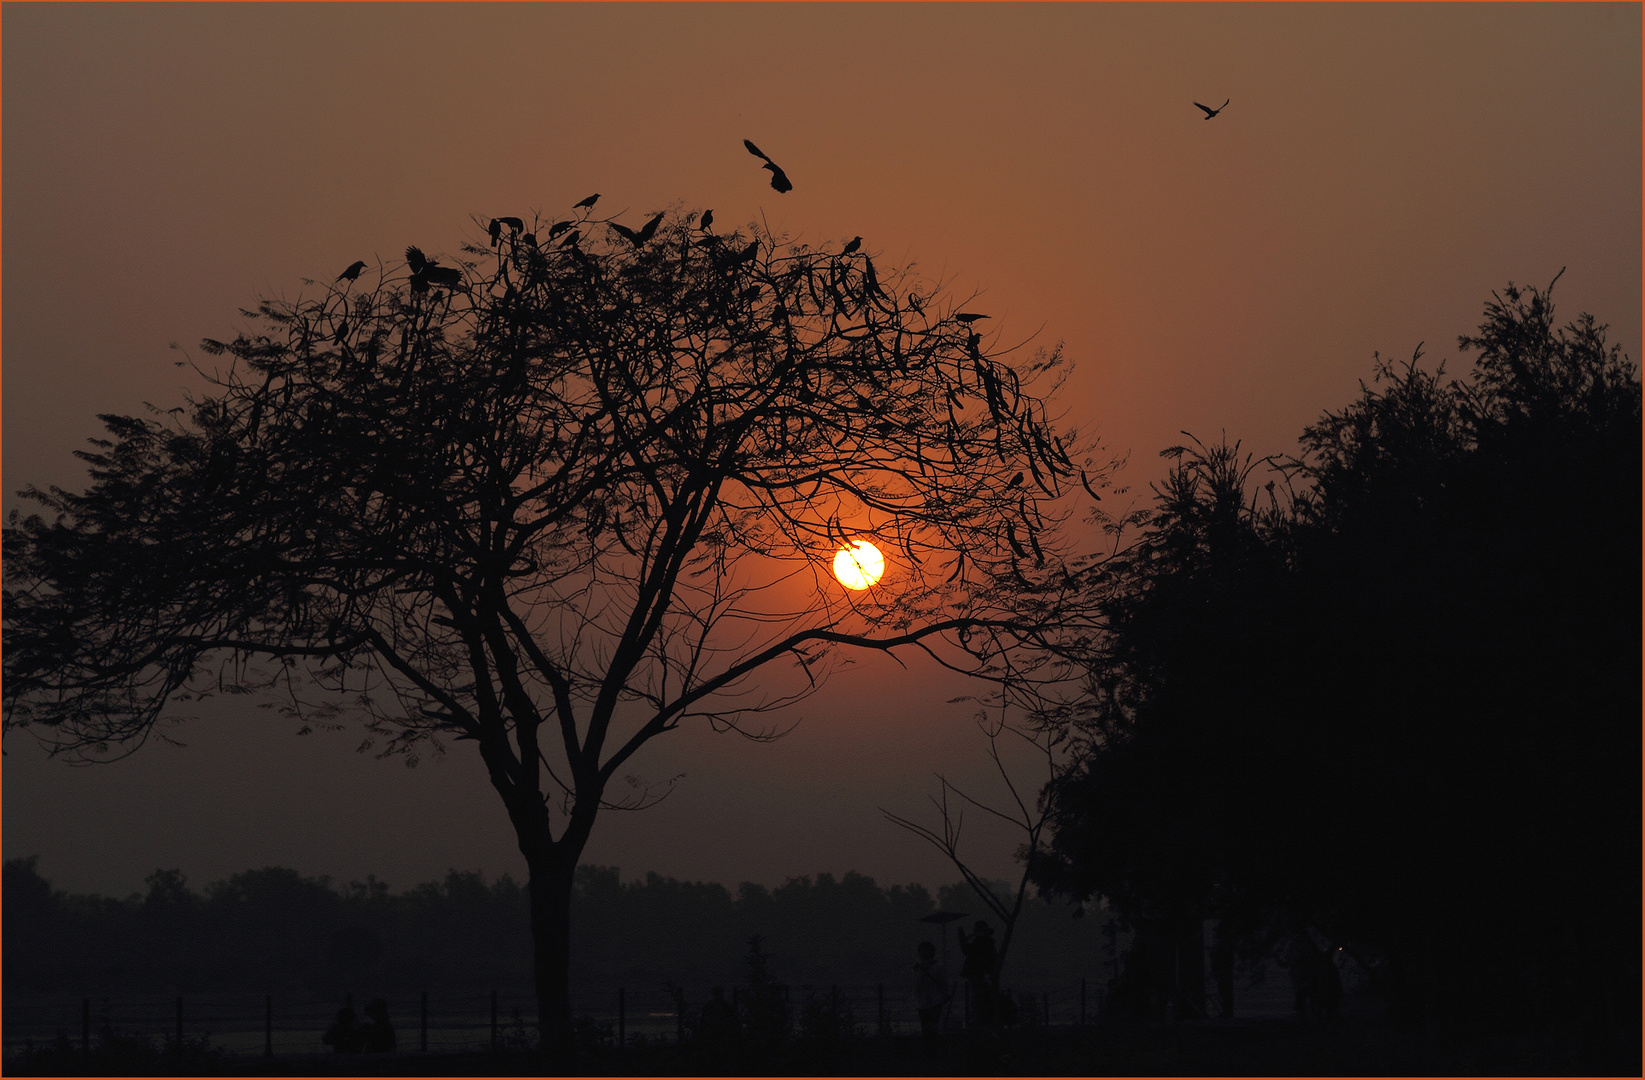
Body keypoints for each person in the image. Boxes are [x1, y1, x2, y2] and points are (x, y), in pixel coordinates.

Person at [957, 920, 999, 1028]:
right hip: (982, 975)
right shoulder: (987, 942)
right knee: (980, 1000)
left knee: (978, 1001)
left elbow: (967, 950)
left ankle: (979, 1023)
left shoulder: (981, 942)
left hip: (978, 975)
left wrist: (962, 937)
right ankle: (982, 1022)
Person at [913, 940, 951, 1057]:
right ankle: (931, 1051)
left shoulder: (935, 967)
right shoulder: (922, 968)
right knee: (928, 1028)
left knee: (930, 1027)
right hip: (927, 1002)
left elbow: (943, 982)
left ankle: (931, 1051)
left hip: (933, 1002)